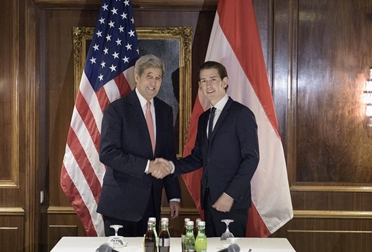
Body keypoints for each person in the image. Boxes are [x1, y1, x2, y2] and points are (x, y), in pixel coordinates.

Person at [157, 61, 258, 237]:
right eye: (203, 81)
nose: (208, 85)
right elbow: (198, 157)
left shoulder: (241, 114)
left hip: (231, 201)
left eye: (212, 79)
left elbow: (251, 159)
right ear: (199, 86)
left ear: (224, 82)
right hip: (210, 200)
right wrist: (171, 166)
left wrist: (229, 195)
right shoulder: (204, 118)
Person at [97, 54, 181, 237]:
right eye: (149, 76)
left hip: (152, 204)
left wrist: (174, 195)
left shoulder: (165, 111)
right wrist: (147, 166)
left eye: (158, 77)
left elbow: (168, 155)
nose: (153, 82)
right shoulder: (116, 110)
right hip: (120, 205)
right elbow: (108, 153)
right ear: (137, 77)